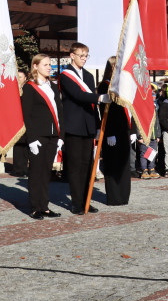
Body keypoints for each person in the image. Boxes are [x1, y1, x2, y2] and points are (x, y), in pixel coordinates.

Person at [57, 43, 110, 215]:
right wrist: (100, 97)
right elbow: (78, 95)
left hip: (87, 125)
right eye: (81, 55)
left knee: (87, 166)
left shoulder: (88, 76)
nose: (84, 59)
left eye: (86, 56)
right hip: (73, 125)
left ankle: (86, 199)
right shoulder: (65, 75)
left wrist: (95, 124)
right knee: (74, 166)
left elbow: (90, 103)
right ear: (72, 55)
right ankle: (76, 202)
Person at [21, 54, 63, 219]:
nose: (49, 67)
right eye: (45, 64)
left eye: (50, 64)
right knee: (36, 172)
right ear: (35, 66)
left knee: (46, 172)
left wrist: (61, 135)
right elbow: (26, 115)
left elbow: (60, 112)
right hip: (37, 137)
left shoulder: (53, 86)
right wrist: (31, 139)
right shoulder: (29, 88)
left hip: (53, 136)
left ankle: (44, 206)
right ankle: (34, 207)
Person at [98, 57, 136, 204]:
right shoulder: (105, 86)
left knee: (124, 164)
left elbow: (130, 109)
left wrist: (132, 130)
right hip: (112, 131)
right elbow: (106, 111)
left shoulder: (123, 86)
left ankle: (123, 195)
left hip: (124, 129)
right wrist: (109, 133)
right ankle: (114, 197)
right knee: (113, 164)